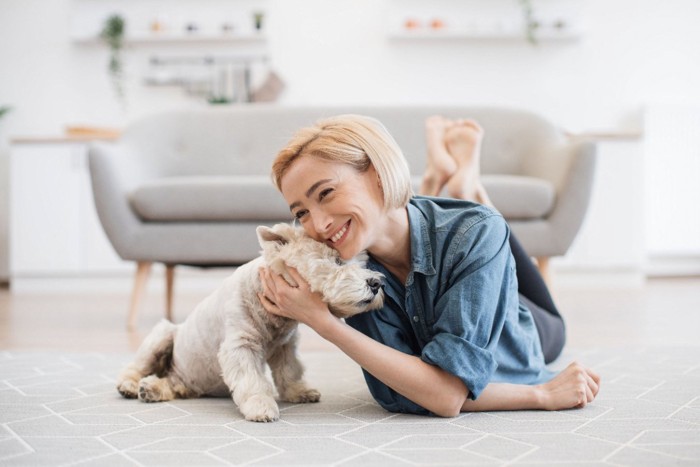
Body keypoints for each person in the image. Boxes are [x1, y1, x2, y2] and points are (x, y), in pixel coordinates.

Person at [258, 114, 600, 417]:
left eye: (326, 193)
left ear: (377, 175)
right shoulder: (350, 267)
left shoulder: (473, 233)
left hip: (525, 319)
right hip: (425, 234)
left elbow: (446, 395)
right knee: (444, 228)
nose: (316, 225)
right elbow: (403, 395)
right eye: (301, 212)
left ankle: (468, 189)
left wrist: (539, 394)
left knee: (491, 235)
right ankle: (448, 183)